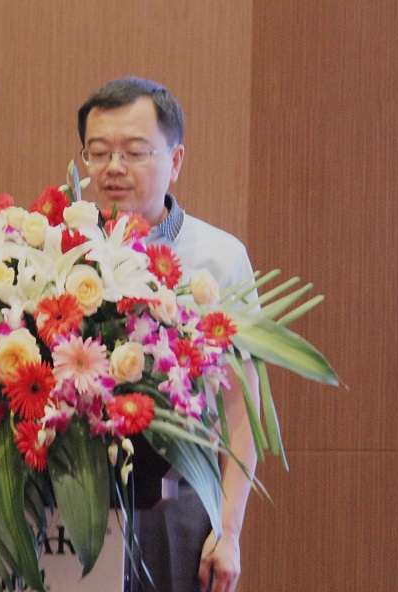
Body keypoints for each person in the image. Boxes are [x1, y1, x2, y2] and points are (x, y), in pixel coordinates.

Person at [77, 77, 260, 592]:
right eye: (99, 153)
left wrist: (229, 531)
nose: (114, 167)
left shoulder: (219, 259)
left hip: (178, 503)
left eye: (135, 152)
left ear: (175, 160)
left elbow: (242, 407)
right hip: (70, 500)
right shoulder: (58, 248)